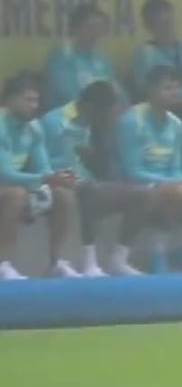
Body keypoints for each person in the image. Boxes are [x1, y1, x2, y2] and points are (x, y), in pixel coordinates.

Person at [41, 81, 148, 277]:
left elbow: (93, 163)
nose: (111, 119)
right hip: (57, 185)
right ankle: (88, 261)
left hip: (87, 180)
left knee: (141, 194)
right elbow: (39, 161)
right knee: (89, 191)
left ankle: (119, 259)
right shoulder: (54, 122)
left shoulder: (92, 125)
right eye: (109, 113)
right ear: (92, 108)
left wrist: (92, 156)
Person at [117, 66, 182, 273]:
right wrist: (170, 183)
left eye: (177, 88)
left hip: (166, 183)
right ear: (151, 90)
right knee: (180, 192)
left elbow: (176, 168)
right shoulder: (132, 120)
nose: (174, 93)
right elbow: (132, 170)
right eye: (167, 88)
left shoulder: (176, 124)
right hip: (134, 183)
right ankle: (158, 251)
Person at [0, 72, 80, 279]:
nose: (34, 105)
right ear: (9, 99)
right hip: (7, 186)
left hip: (14, 186)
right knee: (16, 195)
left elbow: (43, 167)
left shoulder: (34, 127)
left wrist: (59, 177)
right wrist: (44, 179)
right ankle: (3, 263)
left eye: (36, 100)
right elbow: (4, 173)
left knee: (62, 193)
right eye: (28, 100)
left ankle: (55, 263)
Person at [132, 0, 182, 120]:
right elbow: (149, 93)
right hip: (170, 116)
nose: (169, 28)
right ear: (149, 27)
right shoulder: (146, 55)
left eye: (170, 22)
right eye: (162, 24)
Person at [44, 3, 120, 109]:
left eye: (100, 27)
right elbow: (68, 94)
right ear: (76, 28)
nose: (97, 32)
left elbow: (116, 90)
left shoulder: (102, 59)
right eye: (92, 27)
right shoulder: (62, 57)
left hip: (101, 115)